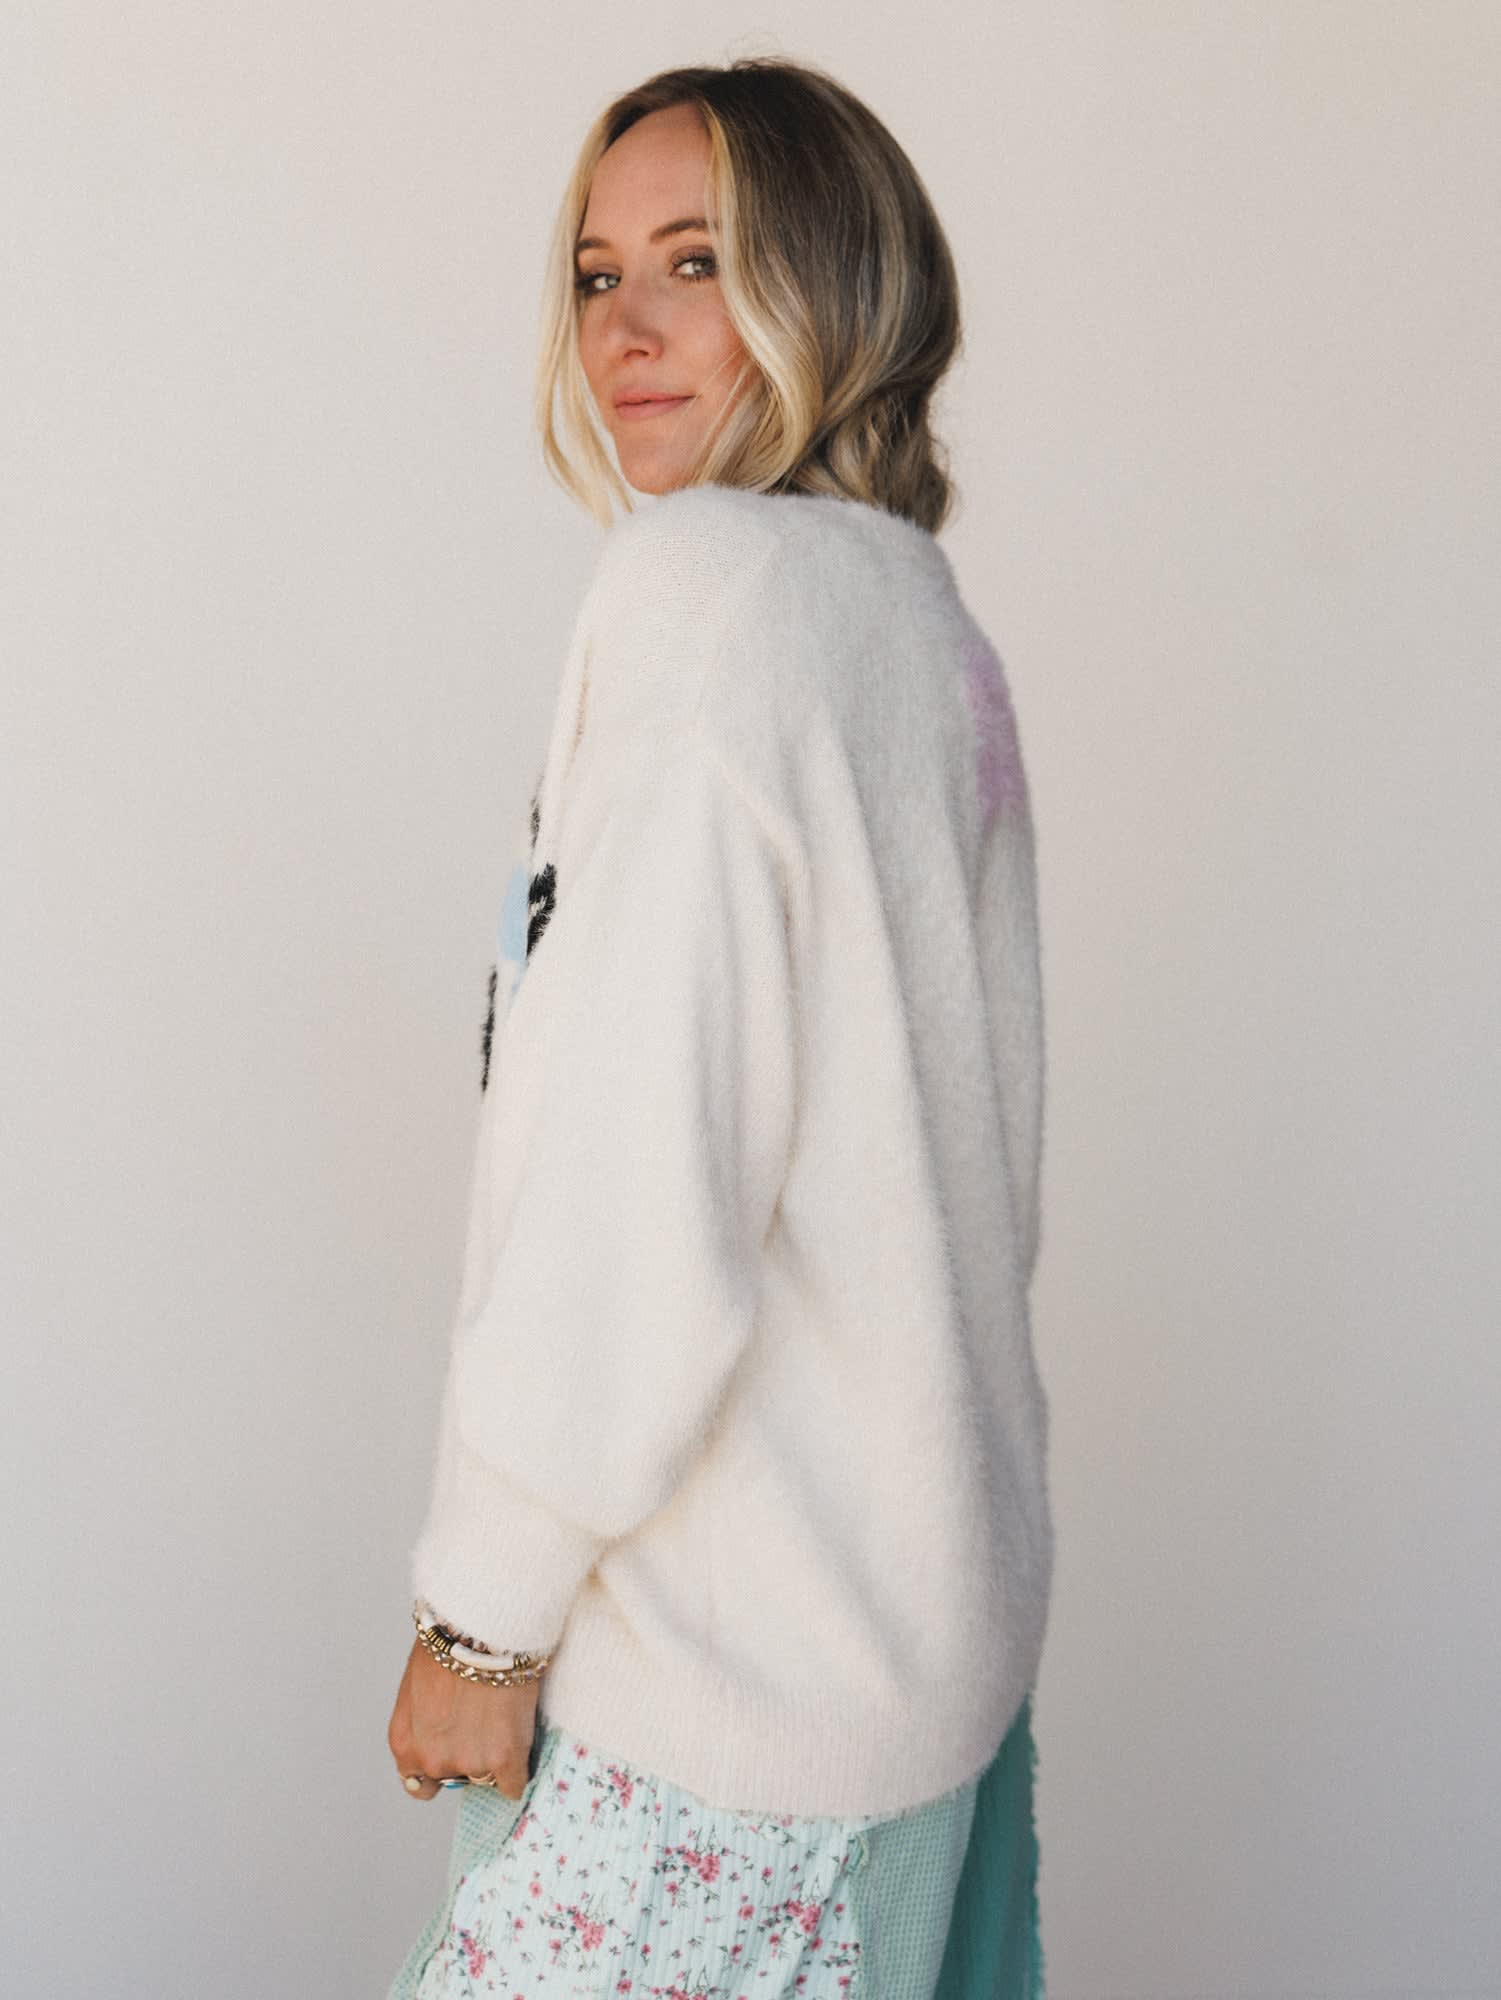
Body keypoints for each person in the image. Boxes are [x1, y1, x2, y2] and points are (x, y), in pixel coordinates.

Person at [385, 55, 1052, 2000]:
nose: (627, 329)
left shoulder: (709, 595)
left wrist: (484, 1616)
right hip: (916, 1666)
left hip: (718, 1702)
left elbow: (638, 1167)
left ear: (834, 280)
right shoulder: (919, 626)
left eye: (698, 261)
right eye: (597, 275)